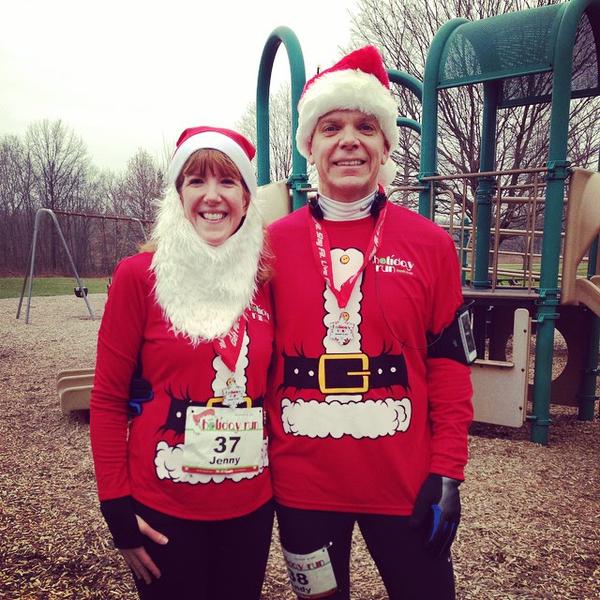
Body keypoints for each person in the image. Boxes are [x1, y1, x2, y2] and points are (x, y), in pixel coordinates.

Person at [266, 46, 474, 599]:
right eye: (331, 127)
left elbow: (451, 368)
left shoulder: (430, 244)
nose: (349, 141)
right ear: (310, 145)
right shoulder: (268, 246)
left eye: (365, 127)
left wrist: (448, 472)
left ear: (385, 145)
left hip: (405, 485)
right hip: (303, 487)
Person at [90, 126, 274, 599]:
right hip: (164, 507)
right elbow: (108, 399)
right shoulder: (139, 277)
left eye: (228, 181)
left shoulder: (265, 280)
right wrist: (116, 505)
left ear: (247, 199)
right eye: (196, 181)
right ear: (178, 195)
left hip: (249, 508)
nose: (212, 196)